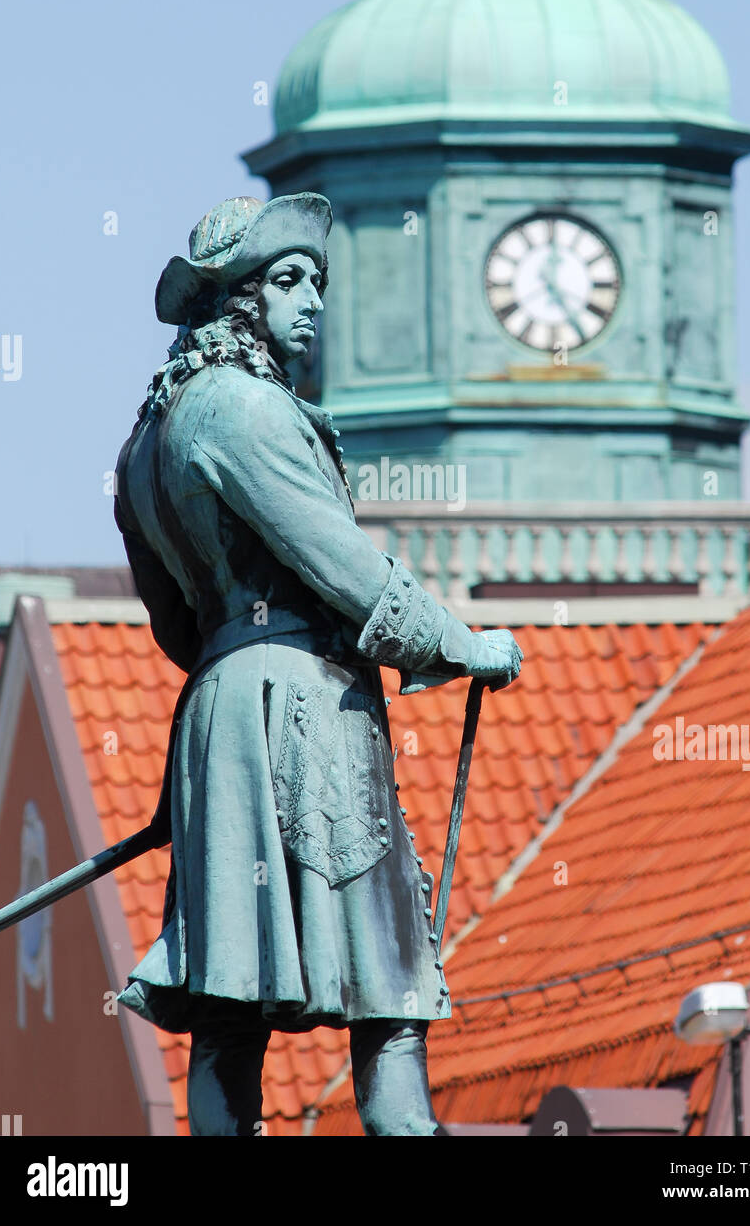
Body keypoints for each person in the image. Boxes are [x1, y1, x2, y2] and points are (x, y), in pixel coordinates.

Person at [113, 192, 523, 1136]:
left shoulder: (144, 445)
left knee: (228, 997)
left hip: (217, 714)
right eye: (289, 280)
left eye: (317, 283)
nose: (314, 303)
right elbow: (344, 567)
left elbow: (173, 621)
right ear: (238, 301)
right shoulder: (248, 412)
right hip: (308, 710)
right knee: (390, 993)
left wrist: (231, 654)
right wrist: (462, 646)